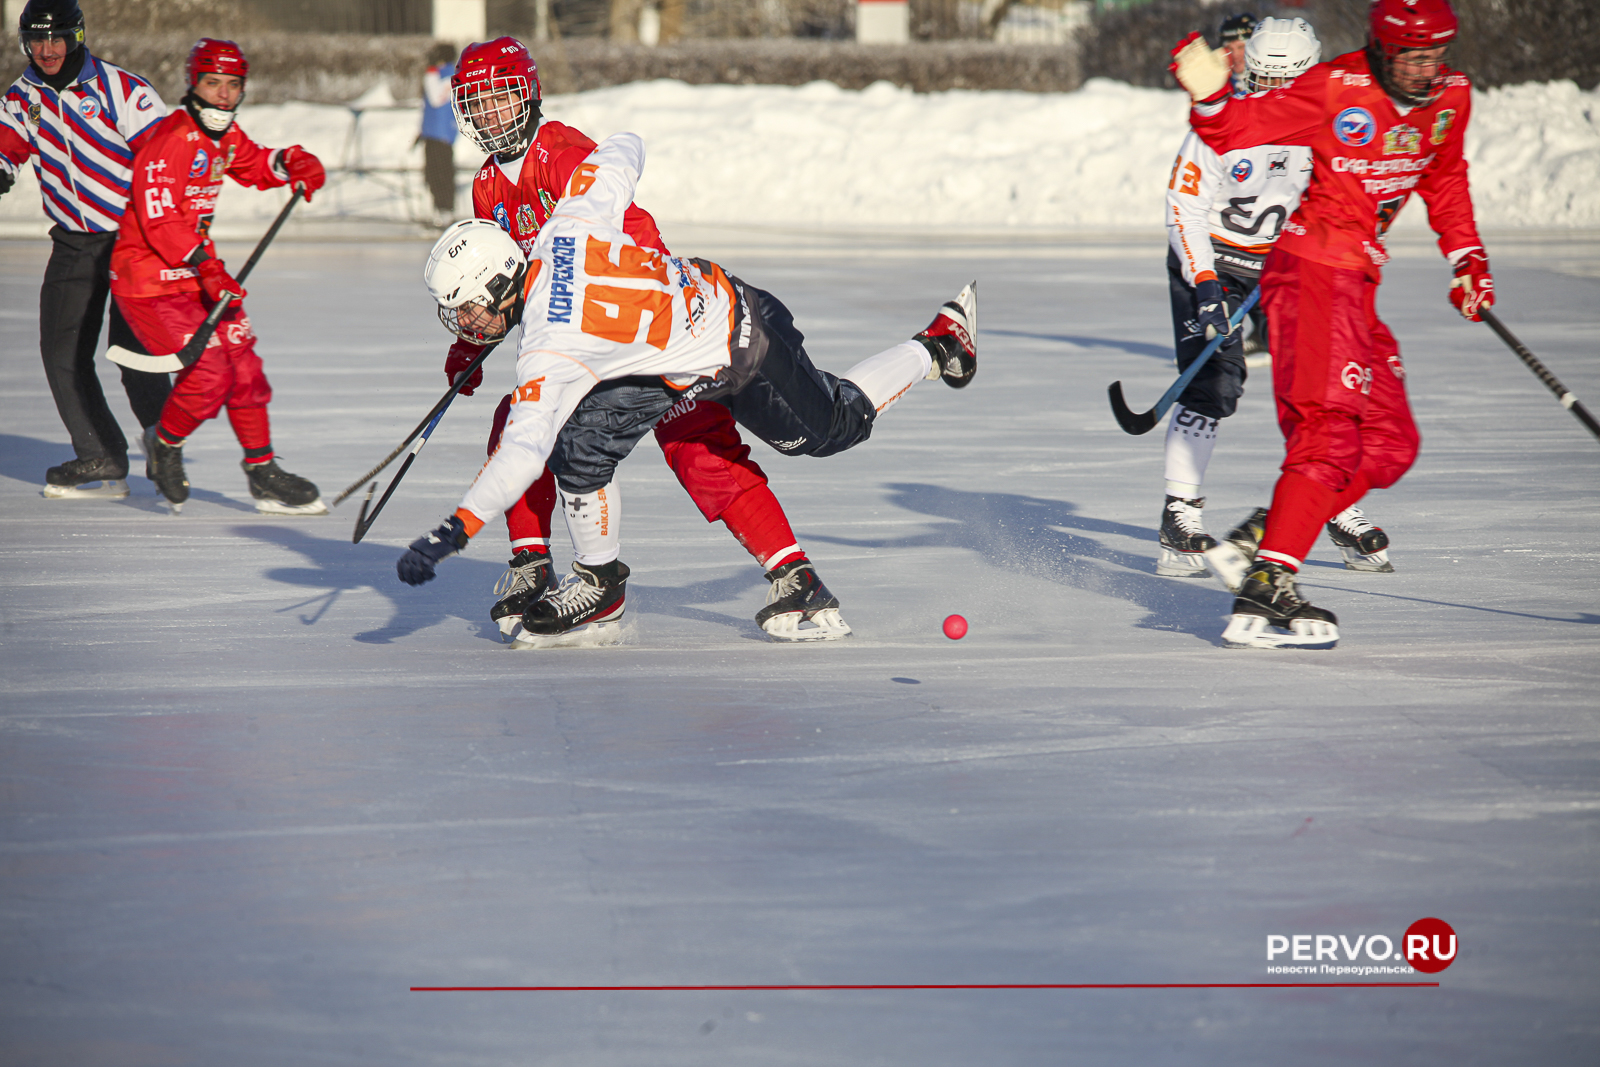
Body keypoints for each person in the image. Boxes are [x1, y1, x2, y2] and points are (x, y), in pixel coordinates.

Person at [394, 134, 977, 648]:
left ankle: (938, 343)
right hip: (688, 332)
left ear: (496, 283)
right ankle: (599, 583)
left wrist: (457, 529)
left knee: (830, 430)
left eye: (466, 308)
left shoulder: (549, 347)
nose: (465, 323)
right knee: (584, 443)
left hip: (740, 348)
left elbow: (523, 450)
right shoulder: (565, 226)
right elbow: (624, 147)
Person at [442, 37, 856, 643]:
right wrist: (473, 344)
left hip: (643, 326)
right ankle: (533, 567)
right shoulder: (486, 189)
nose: (489, 117)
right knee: (520, 422)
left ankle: (794, 576)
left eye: (500, 100)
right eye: (476, 106)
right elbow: (510, 283)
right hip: (587, 337)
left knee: (693, 441)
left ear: (526, 95)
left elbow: (630, 242)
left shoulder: (562, 154)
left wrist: (646, 326)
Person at [1169, 0, 1491, 648]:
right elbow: (1237, 128)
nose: (1425, 70)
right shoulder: (1336, 87)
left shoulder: (1452, 96)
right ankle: (1269, 586)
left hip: (1359, 279)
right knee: (1328, 430)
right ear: (1382, 49)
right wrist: (1208, 102)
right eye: (1411, 57)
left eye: (1435, 55)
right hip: (1309, 269)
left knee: (1392, 442)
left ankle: (1273, 527)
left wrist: (1466, 256)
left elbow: (1446, 174)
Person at [1157, 16, 1394, 581]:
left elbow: (1357, 192)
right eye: (1263, 82)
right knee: (1214, 383)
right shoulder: (1223, 127)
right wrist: (1206, 282)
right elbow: (1183, 208)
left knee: (1324, 387)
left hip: (1290, 262)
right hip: (1213, 259)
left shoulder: (1333, 122)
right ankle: (1179, 517)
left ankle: (1329, 501)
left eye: (1287, 84)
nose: (1274, 97)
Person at [111, 38, 328, 515]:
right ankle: (164, 444)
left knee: (245, 368)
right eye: (213, 84)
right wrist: (208, 269)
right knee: (210, 374)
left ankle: (262, 470)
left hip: (197, 274)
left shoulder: (223, 136)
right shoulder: (170, 140)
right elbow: (160, 221)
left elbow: (255, 163)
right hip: (148, 282)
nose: (224, 96)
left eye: (233, 85)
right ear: (194, 84)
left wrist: (291, 161)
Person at [0, 0, 173, 500]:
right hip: (73, 242)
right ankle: (100, 453)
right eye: (36, 40)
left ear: (77, 38)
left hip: (131, 243)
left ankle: (167, 444)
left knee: (132, 353)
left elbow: (164, 162)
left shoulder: (124, 91)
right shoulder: (20, 98)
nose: (47, 50)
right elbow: (6, 147)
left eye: (57, 40)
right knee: (62, 351)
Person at [419, 42, 457, 228]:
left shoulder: (443, 75)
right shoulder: (449, 75)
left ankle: (445, 211)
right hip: (438, 132)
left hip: (439, 133)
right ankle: (442, 210)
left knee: (440, 173)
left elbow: (435, 98)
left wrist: (431, 72)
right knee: (438, 173)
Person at [1218, 12, 1257, 97]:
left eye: (1240, 47)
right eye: (1230, 48)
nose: (1235, 55)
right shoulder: (1219, 84)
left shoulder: (1269, 82)